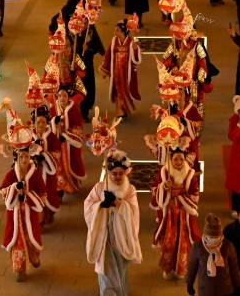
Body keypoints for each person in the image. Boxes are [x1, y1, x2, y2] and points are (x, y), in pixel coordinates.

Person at [84, 150, 143, 295]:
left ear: (126, 173)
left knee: (120, 270)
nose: (117, 177)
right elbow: (88, 206)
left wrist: (117, 202)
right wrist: (100, 206)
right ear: (108, 173)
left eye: (121, 173)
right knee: (105, 269)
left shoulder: (130, 190)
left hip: (121, 237)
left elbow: (133, 213)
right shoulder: (99, 187)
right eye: (114, 173)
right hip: (104, 236)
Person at [0, 112, 47, 281]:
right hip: (15, 216)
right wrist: (13, 189)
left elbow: (43, 194)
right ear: (17, 158)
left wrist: (27, 195)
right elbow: (2, 190)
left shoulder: (35, 174)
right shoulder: (12, 174)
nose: (25, 159)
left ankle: (34, 257)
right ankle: (19, 268)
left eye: (27, 156)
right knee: (17, 240)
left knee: (32, 239)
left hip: (30, 214)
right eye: (21, 157)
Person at [152, 148, 201, 280]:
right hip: (169, 215)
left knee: (183, 242)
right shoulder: (164, 173)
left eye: (181, 159)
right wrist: (164, 187)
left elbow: (195, 194)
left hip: (183, 215)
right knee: (168, 242)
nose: (178, 162)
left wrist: (179, 197)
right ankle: (167, 268)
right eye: (175, 159)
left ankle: (181, 268)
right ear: (171, 160)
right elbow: (154, 190)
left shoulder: (190, 174)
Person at [185, 214, 240, 296]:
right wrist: (189, 283)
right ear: (206, 234)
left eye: (216, 236)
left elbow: (234, 267)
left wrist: (239, 284)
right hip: (206, 289)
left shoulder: (228, 246)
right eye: (211, 236)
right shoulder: (197, 247)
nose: (214, 239)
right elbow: (192, 267)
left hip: (225, 289)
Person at [101, 20, 142, 118]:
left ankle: (126, 109)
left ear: (123, 31)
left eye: (117, 30)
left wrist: (135, 49)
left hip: (127, 73)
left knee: (126, 90)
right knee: (117, 90)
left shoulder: (131, 42)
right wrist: (105, 69)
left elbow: (137, 59)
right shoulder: (114, 42)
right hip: (115, 71)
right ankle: (120, 112)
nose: (115, 32)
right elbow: (108, 55)